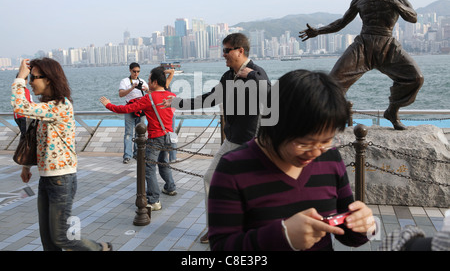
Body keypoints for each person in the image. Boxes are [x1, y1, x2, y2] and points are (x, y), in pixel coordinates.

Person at [208, 69, 375, 251]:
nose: (316, 152)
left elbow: (346, 231)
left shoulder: (331, 158)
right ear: (275, 126)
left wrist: (362, 226)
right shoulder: (232, 169)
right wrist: (283, 237)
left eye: (326, 141)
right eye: (304, 144)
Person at [159, 33, 271, 243]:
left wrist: (253, 77)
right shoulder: (228, 76)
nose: (223, 55)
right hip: (232, 141)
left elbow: (271, 98)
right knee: (212, 178)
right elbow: (210, 98)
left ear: (240, 51)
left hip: (253, 144)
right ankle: (216, 229)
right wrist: (177, 103)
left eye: (227, 50)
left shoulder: (257, 72)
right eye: (223, 50)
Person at [299, 0, 424, 130]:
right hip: (363, 46)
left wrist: (394, 2)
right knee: (334, 81)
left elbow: (413, 17)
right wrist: (318, 31)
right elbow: (342, 22)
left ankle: (392, 111)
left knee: (415, 78)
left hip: (387, 44)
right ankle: (326, 121)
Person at [12, 58, 112, 251]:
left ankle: (100, 249)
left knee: (60, 238)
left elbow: (21, 107)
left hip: (61, 180)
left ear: (48, 79)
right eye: (29, 78)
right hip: (46, 178)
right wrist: (26, 167)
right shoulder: (47, 107)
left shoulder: (61, 106)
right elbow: (35, 139)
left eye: (34, 77)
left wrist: (20, 78)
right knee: (48, 241)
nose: (31, 81)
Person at [101, 66, 177, 211]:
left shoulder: (149, 98)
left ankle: (154, 200)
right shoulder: (171, 95)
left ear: (154, 82)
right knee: (163, 162)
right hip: (168, 136)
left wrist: (108, 105)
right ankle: (170, 187)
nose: (147, 83)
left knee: (148, 168)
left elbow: (126, 109)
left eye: (149, 80)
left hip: (155, 137)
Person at [118, 62, 149, 164]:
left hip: (140, 109)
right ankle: (127, 155)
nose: (136, 74)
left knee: (140, 132)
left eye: (138, 71)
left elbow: (150, 93)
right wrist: (132, 88)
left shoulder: (142, 81)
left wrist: (147, 89)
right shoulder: (125, 81)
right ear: (130, 70)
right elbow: (121, 94)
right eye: (134, 71)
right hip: (129, 108)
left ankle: (137, 153)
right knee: (128, 133)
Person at [13, 73, 33, 137]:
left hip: (16, 116)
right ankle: (23, 146)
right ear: (26, 81)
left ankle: (22, 145)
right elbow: (27, 103)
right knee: (25, 135)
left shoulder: (15, 90)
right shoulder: (25, 90)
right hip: (23, 116)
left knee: (23, 133)